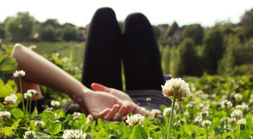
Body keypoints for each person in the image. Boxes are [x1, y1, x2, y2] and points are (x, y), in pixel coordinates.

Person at [12, 7, 171, 121]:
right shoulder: (153, 118)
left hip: (93, 97)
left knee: (104, 17)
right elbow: (165, 123)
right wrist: (136, 110)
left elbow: (18, 56)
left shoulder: (50, 124)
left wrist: (85, 94)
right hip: (149, 103)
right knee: (137, 21)